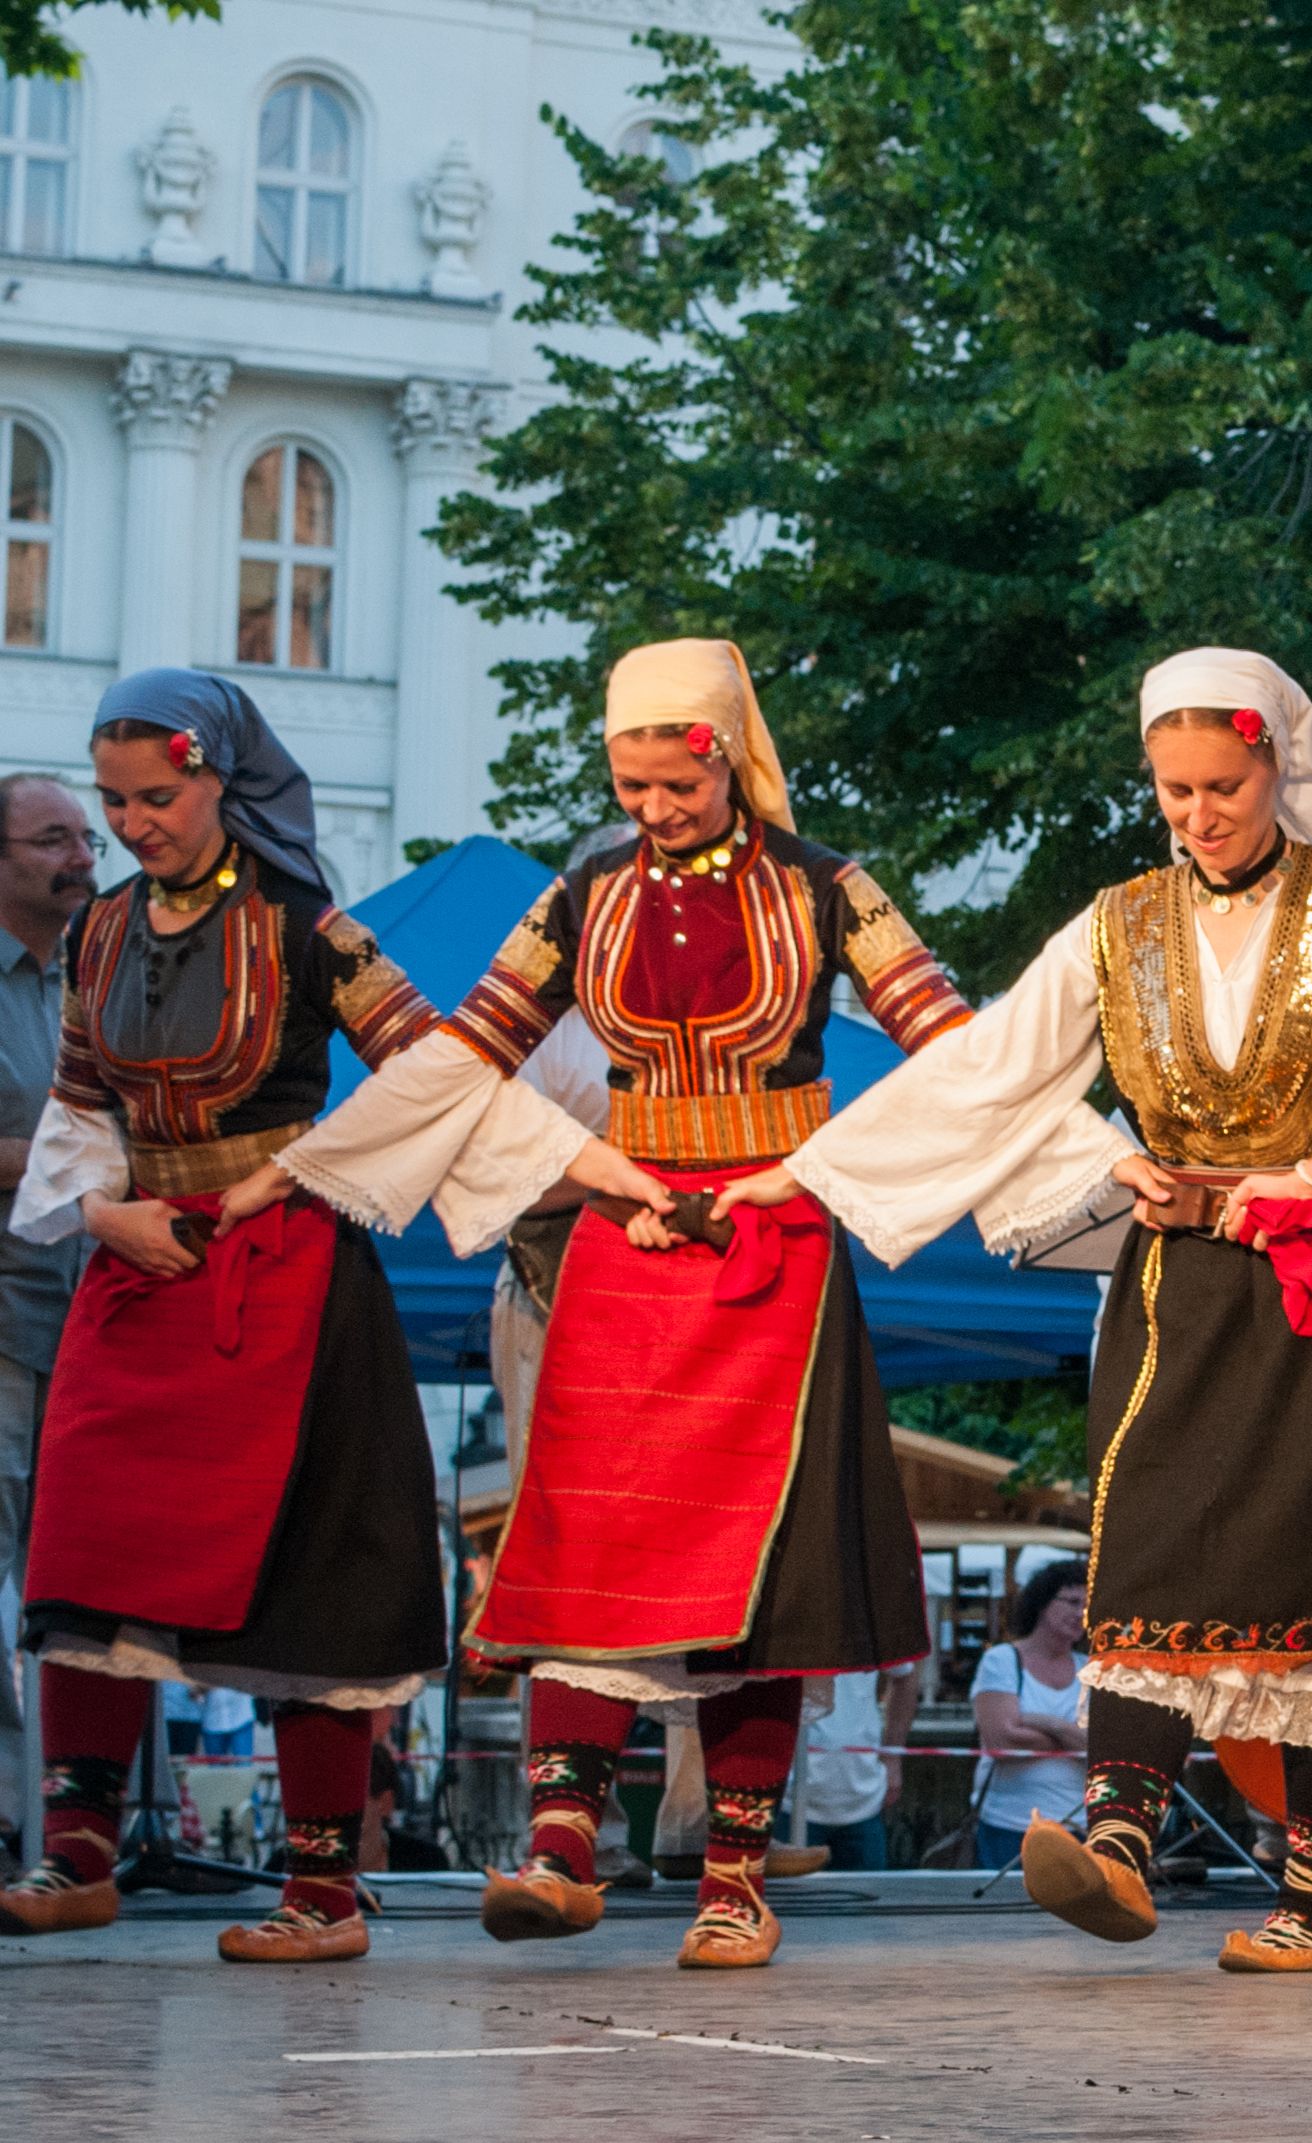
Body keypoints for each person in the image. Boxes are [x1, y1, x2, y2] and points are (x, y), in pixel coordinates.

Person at [742, 648, 1312, 1975]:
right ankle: (1120, 1834)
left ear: (1278, 767)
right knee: (1143, 1542)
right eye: (1175, 789)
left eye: (1223, 784)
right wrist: (1089, 1160)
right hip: (1177, 1272)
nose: (1199, 813)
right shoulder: (1119, 920)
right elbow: (995, 1064)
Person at [275, 639, 971, 1971]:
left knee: (761, 1563)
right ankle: (562, 1845)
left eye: (674, 785)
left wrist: (804, 1171)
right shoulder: (582, 891)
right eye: (630, 784)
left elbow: (955, 1044)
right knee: (583, 1537)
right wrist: (590, 1171)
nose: (651, 810)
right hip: (623, 1237)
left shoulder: (829, 887)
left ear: (725, 757)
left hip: (776, 1236)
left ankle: (734, 1874)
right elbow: (466, 1055)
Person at [0, 670, 451, 1962]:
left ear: (224, 780)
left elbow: (428, 1069)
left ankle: (322, 1884)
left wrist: (288, 1171)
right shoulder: (100, 932)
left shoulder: (311, 925)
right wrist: (101, 1216)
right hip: (138, 1266)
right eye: (114, 800)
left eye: (158, 795)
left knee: (305, 1562)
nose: (135, 822)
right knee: (83, 1546)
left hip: (288, 1269)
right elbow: (83, 1101)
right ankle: (78, 1847)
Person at [0, 770, 91, 1875]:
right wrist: (71, 1167)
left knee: (80, 1582)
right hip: (8, 1314)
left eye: (84, 836)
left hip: (97, 1322)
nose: (80, 856)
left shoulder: (101, 972)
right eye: (50, 839)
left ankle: (85, 1827)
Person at [968, 1561, 1087, 1873]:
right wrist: (1072, 1737)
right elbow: (1002, 1742)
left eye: (1088, 1606)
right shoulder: (1001, 1661)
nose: (1081, 1614)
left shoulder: (1091, 1669)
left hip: (1079, 1828)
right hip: (1010, 1826)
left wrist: (1046, 1722)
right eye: (1073, 1602)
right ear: (1042, 1603)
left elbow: (1100, 1746)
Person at [796, 1660, 918, 1872]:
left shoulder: (873, 1627)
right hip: (793, 1801)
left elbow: (905, 1675)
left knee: (864, 1900)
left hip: (863, 1802)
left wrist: (892, 1756)